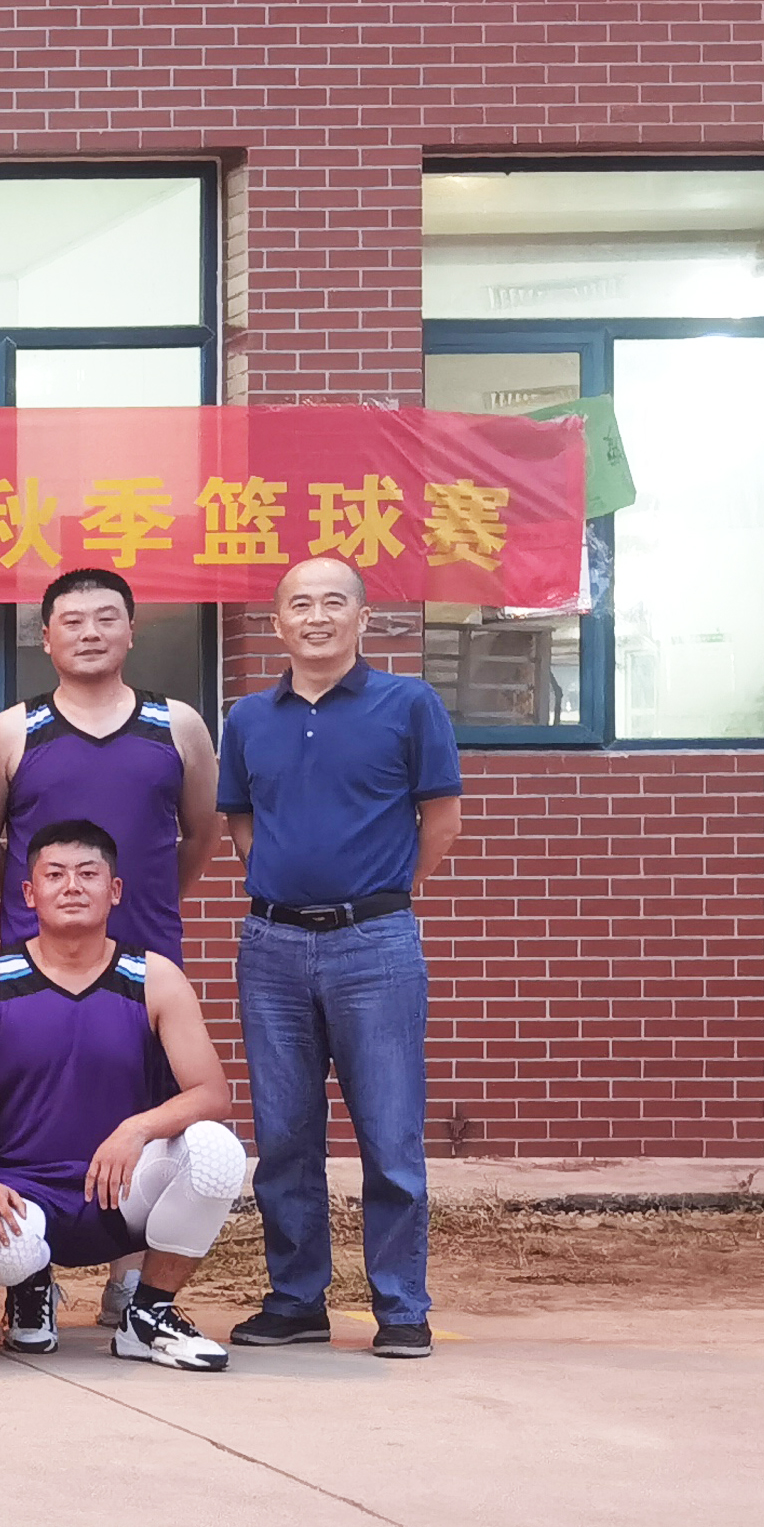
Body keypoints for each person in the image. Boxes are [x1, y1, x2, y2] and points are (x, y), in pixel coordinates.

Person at [216, 556, 459, 1362]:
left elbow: (441, 820)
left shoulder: (409, 704)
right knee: (285, 1137)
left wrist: (383, 894)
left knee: (390, 1135)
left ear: (363, 618)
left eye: (332, 603)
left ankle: (401, 1306)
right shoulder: (249, 717)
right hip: (272, 947)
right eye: (299, 604)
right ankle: (296, 1299)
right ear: (277, 623)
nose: (315, 617)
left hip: (375, 946)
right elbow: (241, 822)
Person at [0, 567, 220, 1325]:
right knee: (32, 1106)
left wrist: (140, 902)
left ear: (131, 630)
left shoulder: (177, 724)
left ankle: (131, 1280)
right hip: (37, 961)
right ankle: (32, 1273)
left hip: (145, 946)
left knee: (147, 1105)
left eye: (106, 618)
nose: (90, 633)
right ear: (46, 637)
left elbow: (199, 835)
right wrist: (50, 910)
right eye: (73, 620)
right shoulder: (12, 731)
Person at [0, 820, 243, 1371]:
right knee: (6, 1251)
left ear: (115, 889)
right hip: (18, 1191)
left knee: (216, 1150)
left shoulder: (154, 978)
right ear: (29, 892)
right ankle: (30, 1289)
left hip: (117, 1189)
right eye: (54, 875)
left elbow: (212, 1094)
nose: (72, 887)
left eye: (88, 874)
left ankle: (148, 1315)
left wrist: (137, 1129)